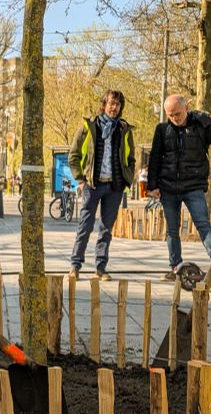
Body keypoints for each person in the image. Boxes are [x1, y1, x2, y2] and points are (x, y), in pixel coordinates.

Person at [68, 90, 135, 281]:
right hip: (92, 185)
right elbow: (73, 155)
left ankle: (101, 268)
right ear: (104, 104)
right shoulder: (89, 127)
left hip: (114, 187)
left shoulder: (124, 129)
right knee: (85, 226)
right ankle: (75, 265)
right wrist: (80, 179)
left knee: (106, 229)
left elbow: (130, 158)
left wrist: (126, 179)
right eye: (111, 103)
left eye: (118, 104)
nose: (114, 108)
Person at [147, 94, 211, 281]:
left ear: (186, 108)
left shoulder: (201, 125)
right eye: (170, 115)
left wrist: (206, 120)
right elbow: (155, 157)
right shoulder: (162, 129)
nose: (174, 118)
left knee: (203, 225)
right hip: (168, 187)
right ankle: (176, 267)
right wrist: (153, 186)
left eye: (177, 113)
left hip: (193, 186)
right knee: (172, 230)